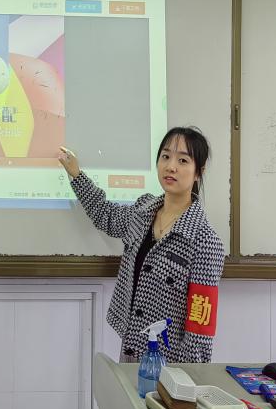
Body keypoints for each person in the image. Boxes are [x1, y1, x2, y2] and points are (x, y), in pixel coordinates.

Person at [58, 127, 225, 363]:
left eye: (183, 160)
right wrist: (77, 175)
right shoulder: (143, 212)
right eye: (165, 156)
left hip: (170, 361)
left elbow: (200, 324)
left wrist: (186, 374)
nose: (171, 167)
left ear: (199, 172)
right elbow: (105, 214)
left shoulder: (205, 241)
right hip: (131, 347)